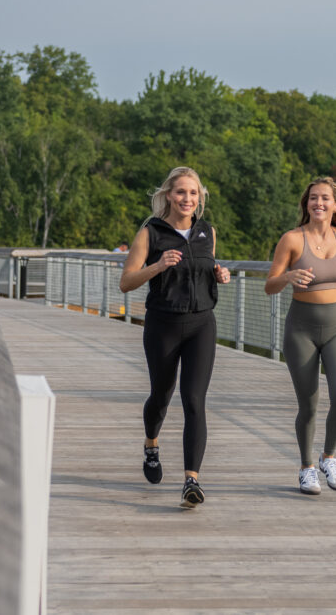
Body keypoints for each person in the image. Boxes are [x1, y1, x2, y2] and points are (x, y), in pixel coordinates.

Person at [120, 167, 231, 508]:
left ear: (200, 198)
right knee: (161, 395)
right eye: (181, 192)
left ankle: (191, 481)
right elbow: (126, 282)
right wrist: (158, 266)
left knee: (194, 401)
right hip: (163, 324)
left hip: (201, 324)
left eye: (193, 193)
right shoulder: (150, 233)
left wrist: (219, 273)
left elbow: (205, 267)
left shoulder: (206, 231)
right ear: (168, 194)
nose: (187, 199)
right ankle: (151, 444)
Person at [264, 177, 336, 494]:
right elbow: (270, 285)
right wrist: (289, 275)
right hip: (301, 328)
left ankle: (328, 457)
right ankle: (307, 466)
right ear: (306, 204)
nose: (318, 203)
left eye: (325, 198)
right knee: (308, 405)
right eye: (313, 198)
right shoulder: (292, 239)